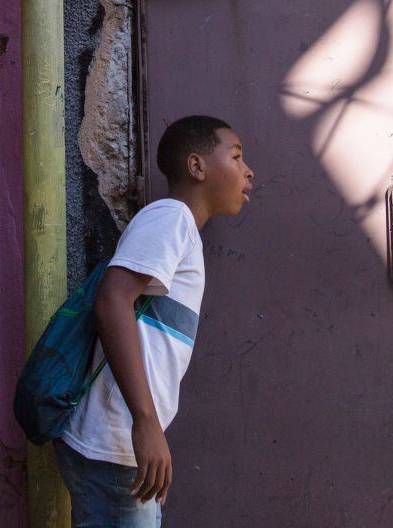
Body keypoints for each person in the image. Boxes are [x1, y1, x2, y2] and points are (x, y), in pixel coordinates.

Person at [57, 115, 255, 527]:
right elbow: (112, 300)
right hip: (112, 444)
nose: (248, 170)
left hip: (118, 446)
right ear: (197, 167)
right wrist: (146, 426)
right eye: (236, 157)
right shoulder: (171, 218)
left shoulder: (178, 228)